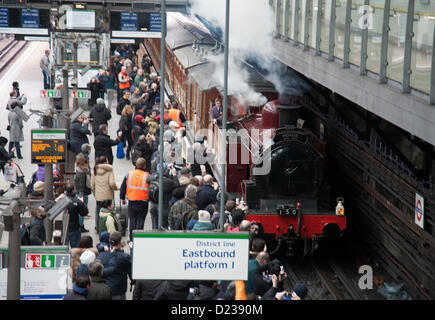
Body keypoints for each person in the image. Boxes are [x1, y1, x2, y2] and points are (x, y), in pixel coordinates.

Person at [119, 157, 150, 241]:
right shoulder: (147, 176)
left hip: (132, 202)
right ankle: (139, 238)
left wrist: (122, 198)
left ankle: (131, 239)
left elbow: (123, 187)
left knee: (132, 220)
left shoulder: (129, 174)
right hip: (143, 203)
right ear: (144, 166)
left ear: (136, 165)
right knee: (140, 221)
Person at [91, 156, 119, 234]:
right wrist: (116, 188)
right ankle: (109, 227)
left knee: (98, 211)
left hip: (99, 196)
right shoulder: (109, 170)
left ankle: (98, 228)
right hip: (108, 195)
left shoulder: (95, 171)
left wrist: (94, 193)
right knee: (109, 211)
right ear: (104, 162)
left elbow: (92, 184)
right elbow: (112, 183)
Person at [147, 163, 180, 229]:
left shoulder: (152, 179)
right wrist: (174, 175)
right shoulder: (167, 182)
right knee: (164, 227)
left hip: (153, 205)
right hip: (164, 207)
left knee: (154, 226)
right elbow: (177, 185)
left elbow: (148, 179)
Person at [102, 231, 132, 300]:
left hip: (107, 288)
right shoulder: (124, 257)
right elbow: (131, 268)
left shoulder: (104, 253)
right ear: (120, 241)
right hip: (119, 290)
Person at [65, 183, 89, 249]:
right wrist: (82, 202)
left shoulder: (62, 200)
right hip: (74, 227)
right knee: (76, 247)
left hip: (64, 227)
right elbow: (84, 212)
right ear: (73, 191)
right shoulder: (77, 202)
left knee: (64, 247)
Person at [75, 154, 91, 233]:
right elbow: (88, 184)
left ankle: (80, 225)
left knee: (79, 211)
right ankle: (81, 226)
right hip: (83, 193)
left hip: (78, 192)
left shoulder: (77, 170)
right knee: (82, 211)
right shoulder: (84, 172)